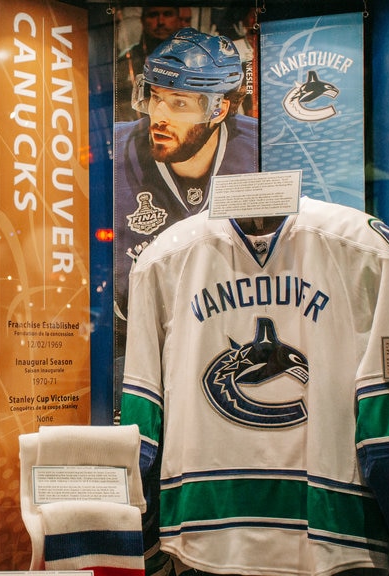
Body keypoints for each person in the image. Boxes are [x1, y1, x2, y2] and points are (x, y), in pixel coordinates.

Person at [111, 28, 258, 576]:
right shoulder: (110, 147)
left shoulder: (262, 150)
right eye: (154, 97)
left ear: (220, 108)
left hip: (228, 348)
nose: (160, 115)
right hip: (135, 354)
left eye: (180, 103)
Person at [115, 6, 193, 122]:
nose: (160, 22)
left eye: (167, 14)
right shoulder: (126, 61)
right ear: (142, 20)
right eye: (153, 15)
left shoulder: (194, 59)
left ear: (178, 19)